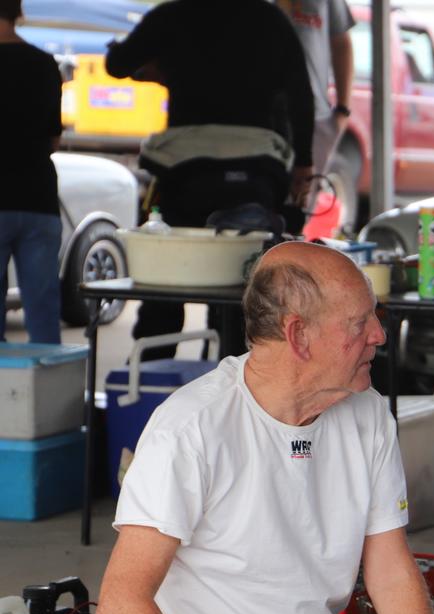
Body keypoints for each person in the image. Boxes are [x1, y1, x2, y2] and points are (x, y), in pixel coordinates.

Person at [96, 242, 434, 614]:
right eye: (359, 322)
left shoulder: (368, 417)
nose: (379, 335)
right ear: (298, 335)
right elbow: (121, 604)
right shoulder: (193, 427)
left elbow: (389, 569)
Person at [105, 0, 315, 359]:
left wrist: (150, 64)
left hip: (185, 169)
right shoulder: (268, 18)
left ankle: (150, 379)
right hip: (256, 168)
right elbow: (301, 94)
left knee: (165, 284)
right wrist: (304, 165)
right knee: (243, 287)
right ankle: (232, 382)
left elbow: (118, 64)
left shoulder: (173, 14)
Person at [0, 0, 62, 344]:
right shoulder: (43, 63)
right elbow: (54, 136)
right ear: (18, 12)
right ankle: (46, 395)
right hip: (38, 199)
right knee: (42, 309)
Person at [275, 0, 356, 179]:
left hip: (316, 117)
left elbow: (341, 42)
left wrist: (342, 110)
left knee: (303, 199)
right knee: (259, 198)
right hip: (263, 118)